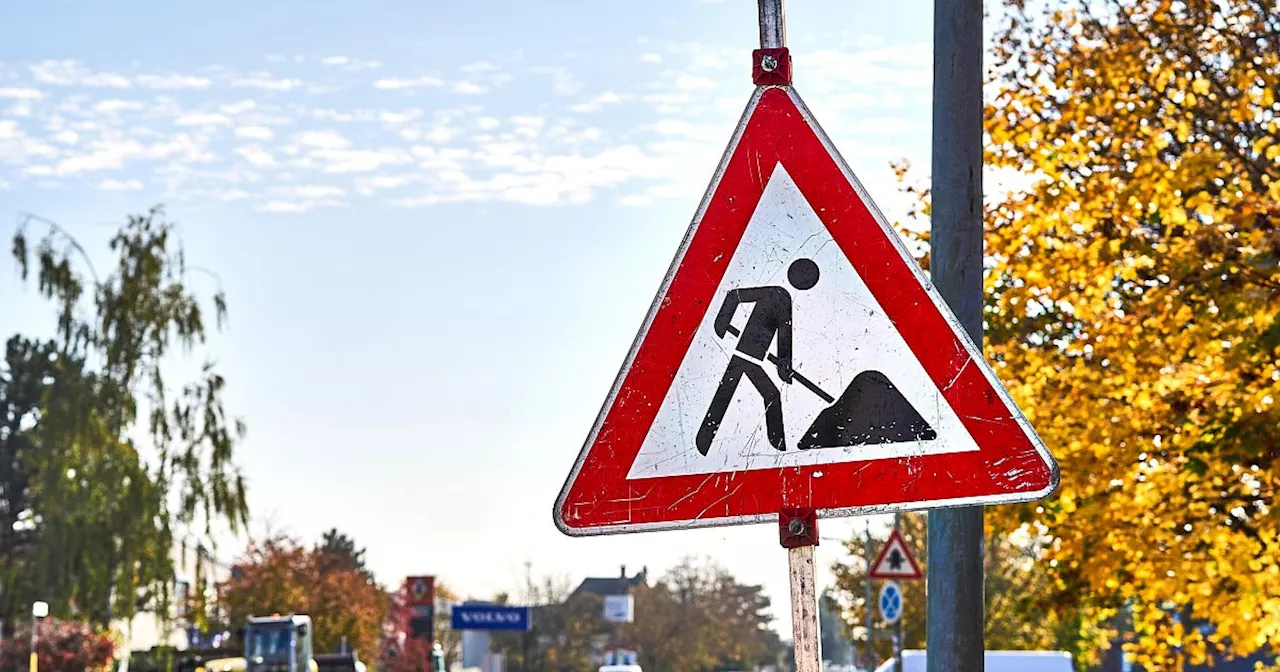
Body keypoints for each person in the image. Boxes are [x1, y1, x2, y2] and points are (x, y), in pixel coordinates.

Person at [696, 258, 819, 455]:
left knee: (752, 394)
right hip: (742, 355)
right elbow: (734, 296)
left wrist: (783, 366)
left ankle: (777, 450)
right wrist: (721, 322)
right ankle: (703, 442)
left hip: (752, 358)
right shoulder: (776, 294)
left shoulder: (782, 298)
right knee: (738, 394)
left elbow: (783, 337)